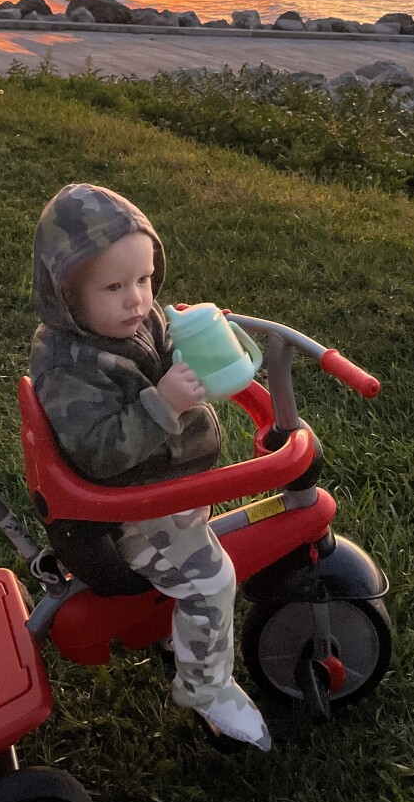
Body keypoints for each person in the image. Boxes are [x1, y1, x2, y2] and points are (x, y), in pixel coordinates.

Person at [30, 182, 272, 751]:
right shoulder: (71, 366)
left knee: (202, 540)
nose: (137, 299)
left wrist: (193, 342)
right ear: (67, 295)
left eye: (143, 279)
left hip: (162, 489)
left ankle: (178, 630)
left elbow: (161, 348)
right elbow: (97, 450)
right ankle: (205, 687)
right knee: (214, 579)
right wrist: (163, 405)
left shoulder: (126, 325)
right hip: (128, 513)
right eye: (114, 286)